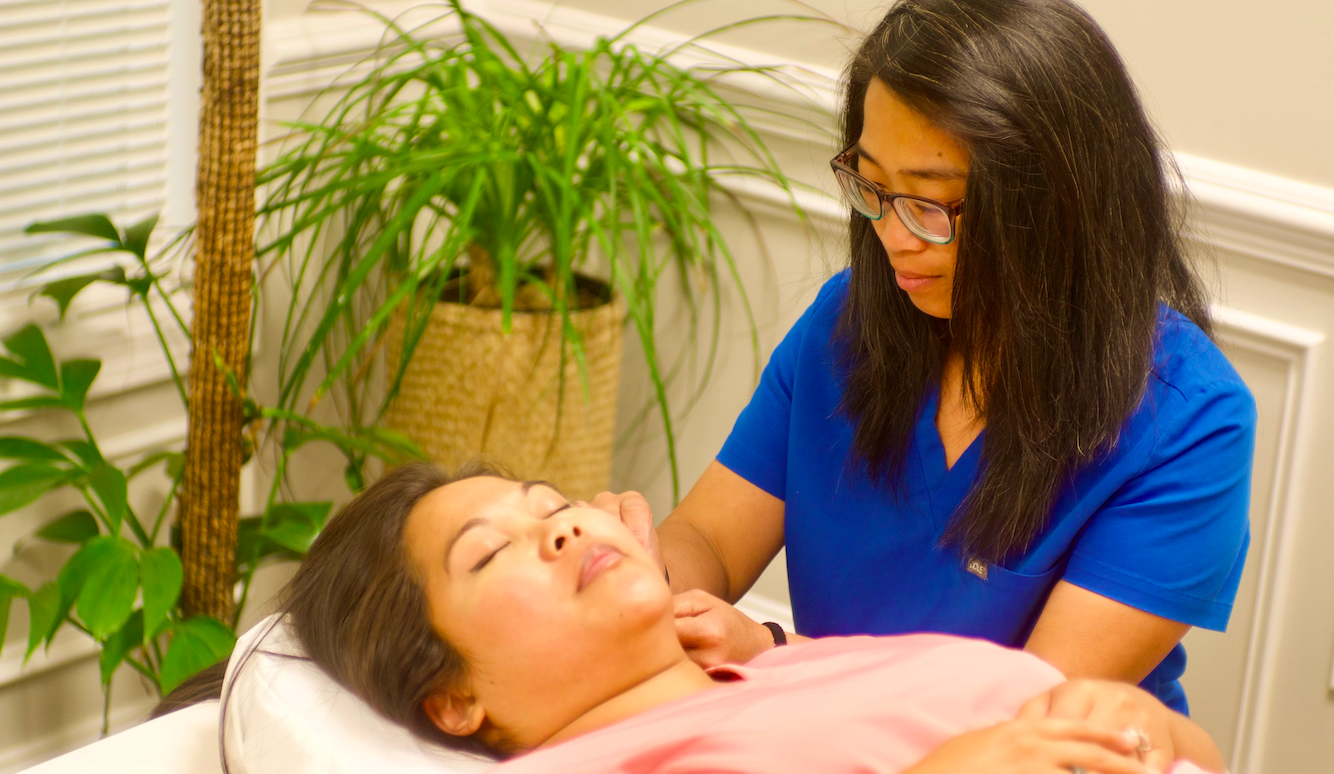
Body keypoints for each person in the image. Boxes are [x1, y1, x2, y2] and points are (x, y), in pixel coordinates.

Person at [591, 0, 1255, 716]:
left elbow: (1028, 717)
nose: (894, 237)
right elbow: (711, 542)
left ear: (1059, 203)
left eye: (933, 204)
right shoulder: (846, 326)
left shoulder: (1190, 422)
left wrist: (779, 659)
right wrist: (641, 574)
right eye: (874, 187)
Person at [262, 461, 1225, 774]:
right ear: (453, 699)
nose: (556, 528)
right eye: (490, 551)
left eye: (550, 503)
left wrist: (1153, 727)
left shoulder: (795, 663)